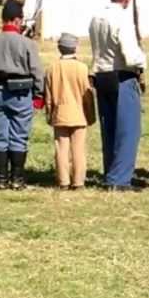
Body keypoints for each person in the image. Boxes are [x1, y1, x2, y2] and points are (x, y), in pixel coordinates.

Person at [0, 0, 45, 190]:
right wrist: (39, 96)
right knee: (19, 135)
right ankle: (17, 178)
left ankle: (1, 178)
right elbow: (37, 71)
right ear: (17, 20)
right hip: (21, 93)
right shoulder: (27, 43)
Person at [88, 0, 148, 191]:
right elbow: (131, 55)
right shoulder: (122, 19)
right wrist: (143, 61)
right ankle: (119, 179)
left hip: (101, 74)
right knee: (128, 129)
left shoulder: (97, 17)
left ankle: (111, 170)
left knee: (109, 127)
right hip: (122, 75)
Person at [44, 33, 95, 191]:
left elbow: (48, 96)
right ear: (75, 47)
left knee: (61, 148)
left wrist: (49, 114)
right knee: (78, 149)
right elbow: (88, 95)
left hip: (60, 113)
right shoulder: (82, 68)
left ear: (60, 48)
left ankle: (63, 180)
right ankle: (79, 181)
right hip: (79, 114)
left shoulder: (52, 68)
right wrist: (90, 115)